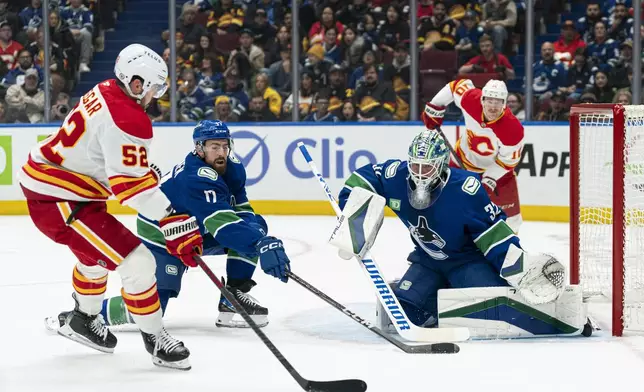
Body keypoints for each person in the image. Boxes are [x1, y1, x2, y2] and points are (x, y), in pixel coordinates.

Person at [18, 44, 202, 370]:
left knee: (97, 257)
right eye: (154, 87)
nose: (155, 95)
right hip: (58, 198)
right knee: (139, 260)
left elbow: (104, 157)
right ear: (135, 83)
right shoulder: (129, 118)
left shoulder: (105, 88)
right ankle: (156, 337)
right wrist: (173, 218)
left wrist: (140, 180)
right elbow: (129, 190)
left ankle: (83, 319)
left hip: (63, 188)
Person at [333, 130, 590, 338]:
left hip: (468, 261)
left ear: (441, 164)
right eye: (416, 166)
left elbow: (493, 235)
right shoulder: (396, 175)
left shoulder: (466, 189)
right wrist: (350, 206)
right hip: (429, 261)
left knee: (495, 311)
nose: (419, 174)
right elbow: (364, 177)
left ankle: (560, 312)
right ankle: (436, 294)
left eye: (427, 168)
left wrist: (518, 266)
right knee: (406, 314)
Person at [47, 120, 291, 329]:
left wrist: (260, 238)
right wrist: (258, 243)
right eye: (214, 146)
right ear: (199, 148)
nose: (221, 152)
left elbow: (242, 211)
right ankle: (85, 316)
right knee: (152, 307)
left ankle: (233, 297)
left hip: (196, 226)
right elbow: (224, 227)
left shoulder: (233, 169)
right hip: (162, 233)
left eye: (225, 146)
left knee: (253, 226)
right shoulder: (196, 178)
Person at [421, 78, 524, 232]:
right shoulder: (471, 100)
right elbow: (454, 86)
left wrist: (489, 180)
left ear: (504, 104)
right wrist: (435, 107)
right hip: (461, 161)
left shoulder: (513, 129)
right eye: (489, 100)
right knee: (446, 205)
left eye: (498, 102)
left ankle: (506, 249)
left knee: (511, 221)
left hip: (498, 174)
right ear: (482, 99)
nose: (493, 106)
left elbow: (507, 163)